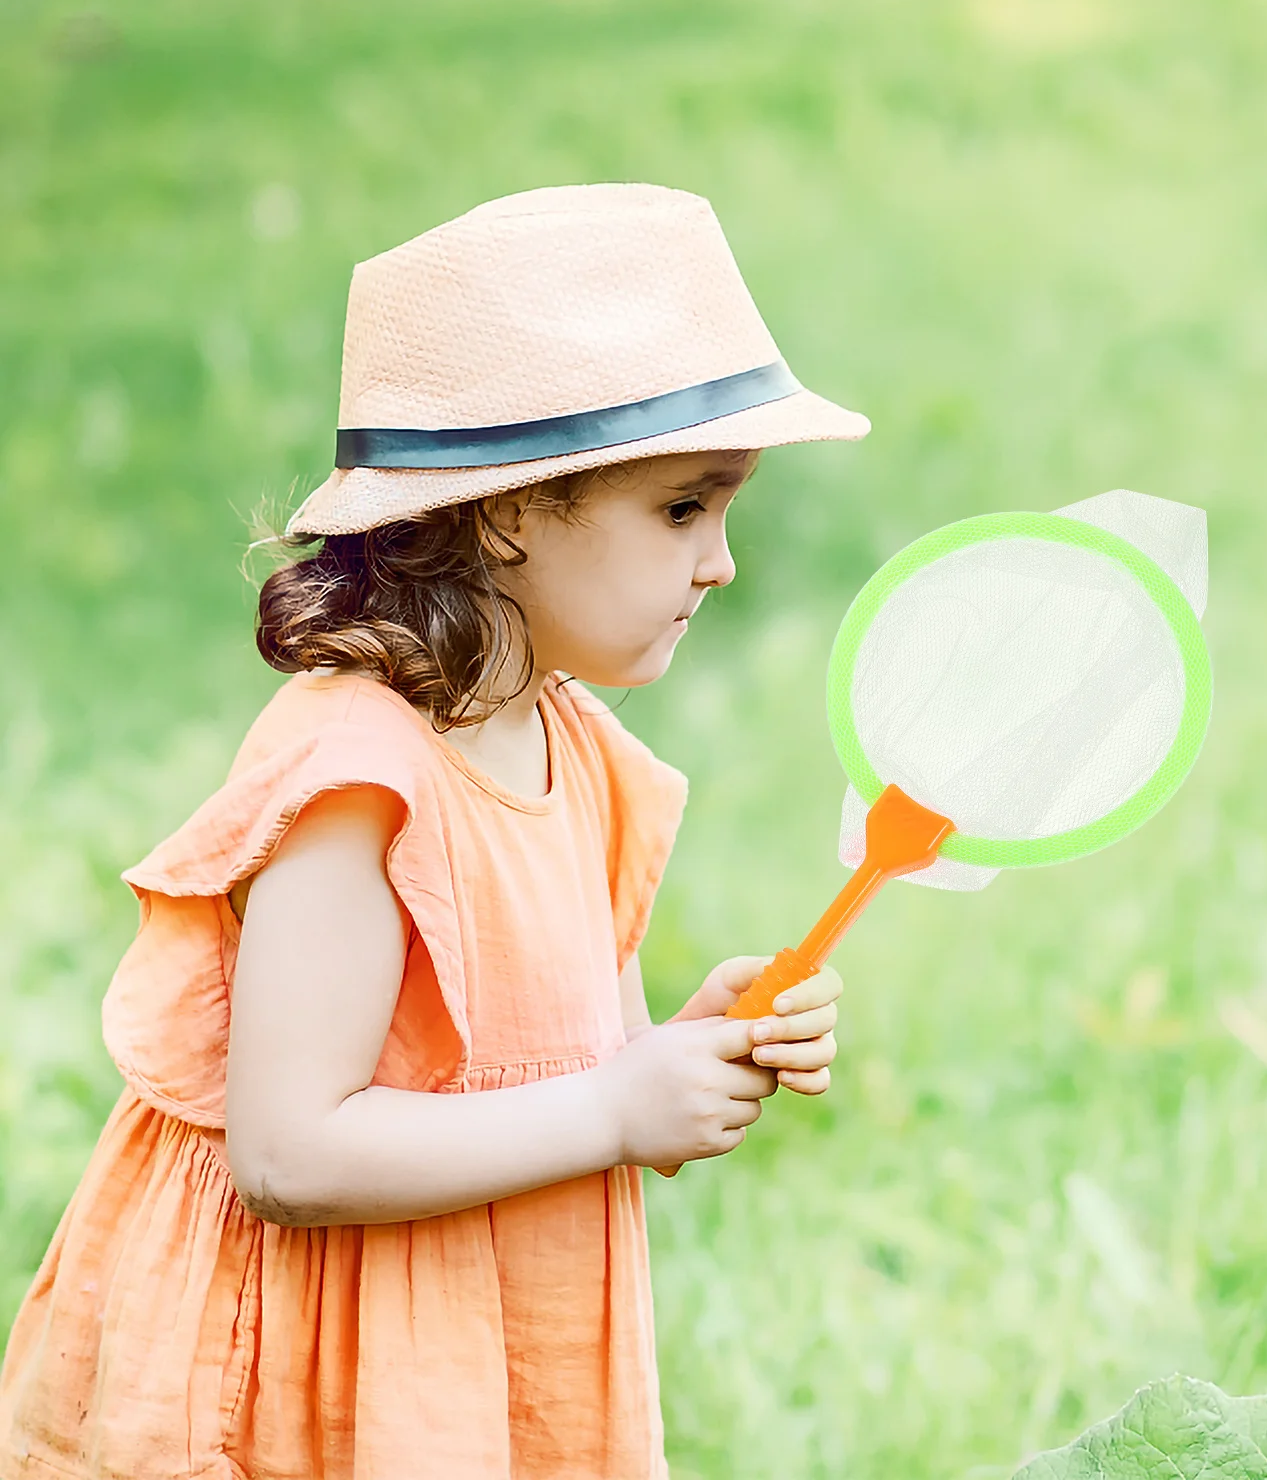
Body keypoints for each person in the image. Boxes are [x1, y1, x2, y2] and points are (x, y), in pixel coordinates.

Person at [0, 184, 871, 1479]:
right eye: (684, 509)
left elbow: (574, 1081)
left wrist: (681, 1058)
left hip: (484, 1337)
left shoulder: (573, 745)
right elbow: (289, 1152)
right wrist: (618, 1109)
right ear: (514, 510)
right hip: (317, 1376)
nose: (723, 561)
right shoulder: (361, 782)